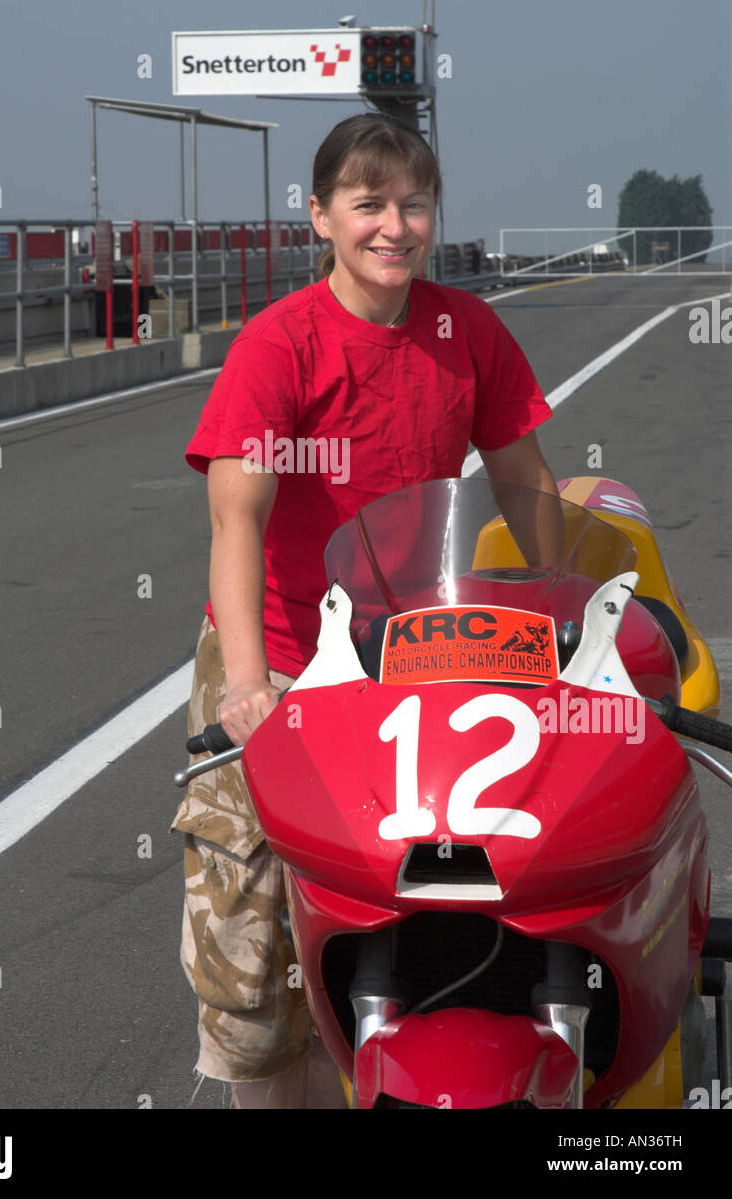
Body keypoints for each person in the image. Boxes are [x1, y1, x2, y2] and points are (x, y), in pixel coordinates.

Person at [170, 113, 559, 1109]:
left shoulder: (462, 331)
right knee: (253, 953)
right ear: (320, 217)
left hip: (414, 662)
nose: (394, 225)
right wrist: (253, 686)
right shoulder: (280, 344)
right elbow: (236, 519)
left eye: (412, 202)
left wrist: (560, 618)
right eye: (368, 203)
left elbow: (523, 479)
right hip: (284, 652)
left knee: (418, 911)